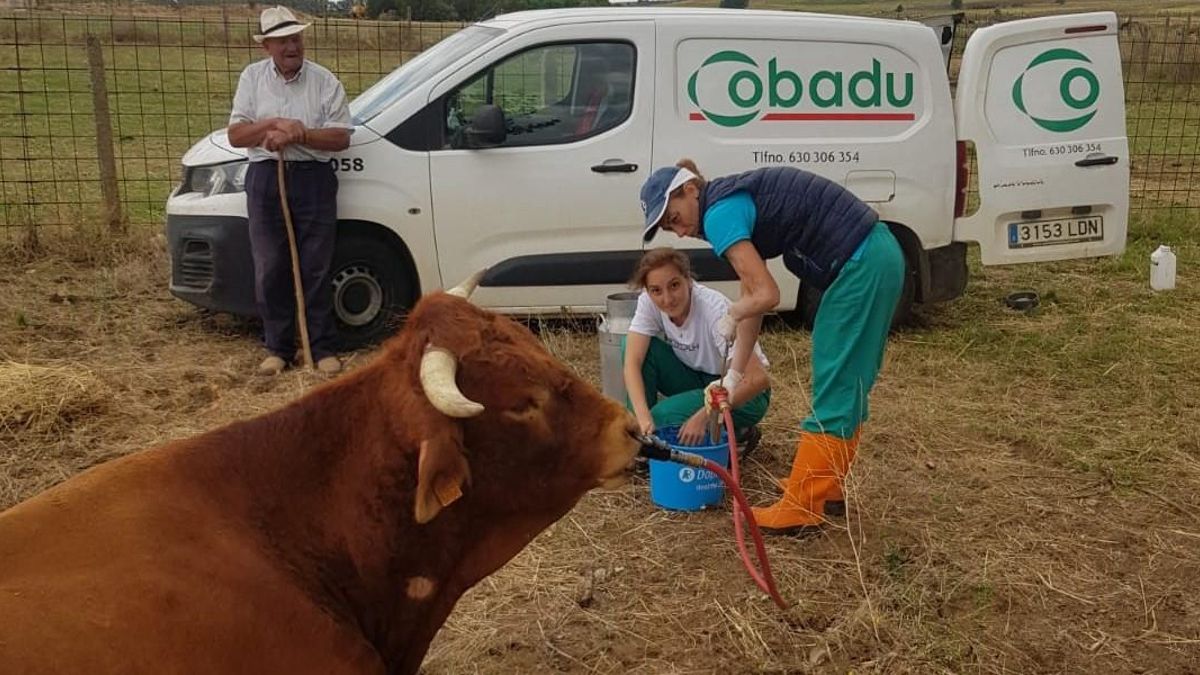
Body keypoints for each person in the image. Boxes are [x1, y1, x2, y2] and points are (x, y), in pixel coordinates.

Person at [637, 159, 905, 535]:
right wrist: (731, 377)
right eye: (668, 226)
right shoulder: (729, 202)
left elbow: (764, 295)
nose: (679, 231)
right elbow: (754, 297)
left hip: (860, 265)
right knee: (848, 381)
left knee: (837, 383)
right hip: (873, 255)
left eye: (674, 216)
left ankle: (803, 506)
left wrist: (731, 313)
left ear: (691, 189)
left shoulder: (719, 214)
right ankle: (824, 486)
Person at [227, 5, 351, 376]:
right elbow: (236, 135)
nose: (290, 46)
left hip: (314, 178)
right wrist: (274, 124)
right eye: (281, 41)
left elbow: (341, 137)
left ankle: (319, 347)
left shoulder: (325, 81)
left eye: (295, 38)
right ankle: (278, 348)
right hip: (266, 178)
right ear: (267, 46)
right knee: (270, 266)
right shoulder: (252, 79)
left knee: (315, 266)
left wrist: (301, 133)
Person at [622, 247, 770, 455]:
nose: (667, 299)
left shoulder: (714, 310)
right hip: (698, 378)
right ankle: (645, 440)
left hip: (744, 392)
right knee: (631, 347)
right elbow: (632, 362)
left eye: (674, 285)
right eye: (656, 290)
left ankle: (736, 434)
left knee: (662, 417)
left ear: (688, 279)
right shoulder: (648, 302)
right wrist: (642, 417)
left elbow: (758, 379)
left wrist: (703, 415)